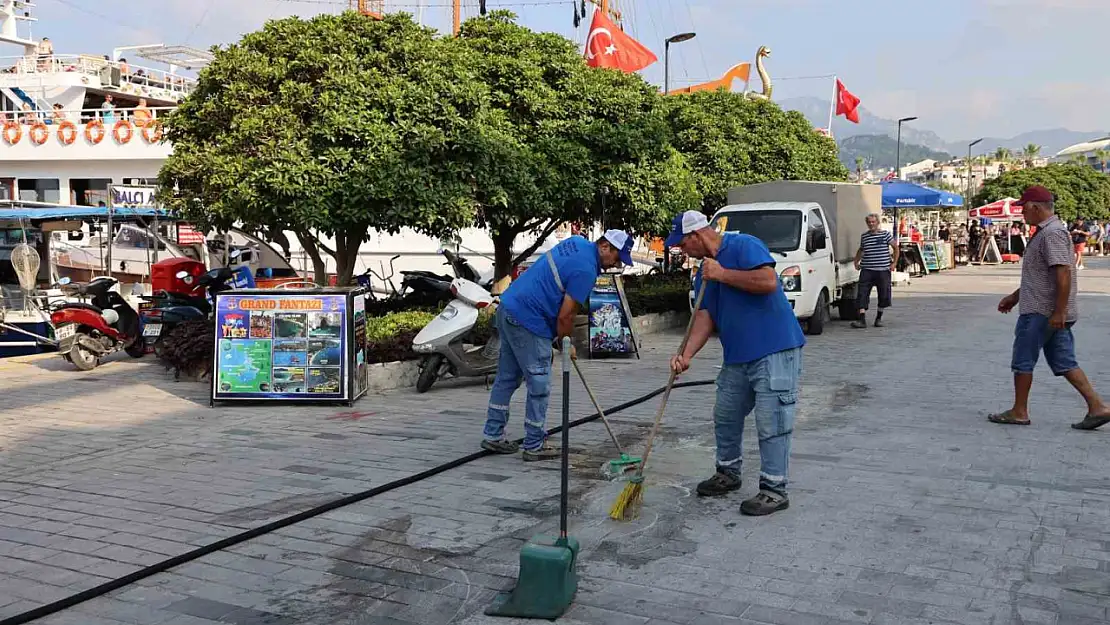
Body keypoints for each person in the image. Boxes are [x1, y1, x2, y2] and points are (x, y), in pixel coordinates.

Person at [667, 210, 805, 516]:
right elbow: (705, 315)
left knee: (772, 422)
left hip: (774, 350)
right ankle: (727, 473)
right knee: (725, 414)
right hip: (738, 356)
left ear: (696, 236)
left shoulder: (744, 246)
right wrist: (686, 355)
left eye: (682, 243)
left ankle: (774, 489)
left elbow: (768, 281)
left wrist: (722, 274)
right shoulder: (704, 271)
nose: (681, 250)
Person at [480, 229, 634, 461]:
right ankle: (533, 444)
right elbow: (565, 316)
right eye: (616, 258)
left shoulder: (576, 242)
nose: (615, 265)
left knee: (507, 377)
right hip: (529, 319)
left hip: (509, 307)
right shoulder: (587, 271)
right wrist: (566, 343)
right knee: (539, 383)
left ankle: (492, 435)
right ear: (604, 246)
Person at [989, 185, 1110, 430]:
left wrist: (1059, 311)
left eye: (1024, 208)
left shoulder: (1051, 233)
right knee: (1064, 361)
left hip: (1042, 312)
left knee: (1023, 359)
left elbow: (1062, 272)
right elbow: (1042, 276)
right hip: (1049, 310)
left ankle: (1019, 411)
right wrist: (1015, 297)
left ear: (1035, 207)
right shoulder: (1048, 231)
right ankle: (1097, 407)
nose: (1022, 213)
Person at [851, 213, 898, 329]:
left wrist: (894, 263)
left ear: (877, 223)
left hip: (882, 270)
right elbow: (861, 249)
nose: (871, 224)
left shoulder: (885, 235)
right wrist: (856, 261)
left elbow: (896, 248)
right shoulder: (865, 236)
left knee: (884, 294)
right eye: (869, 222)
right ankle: (862, 320)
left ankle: (879, 318)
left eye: (873, 222)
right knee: (862, 293)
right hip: (867, 270)